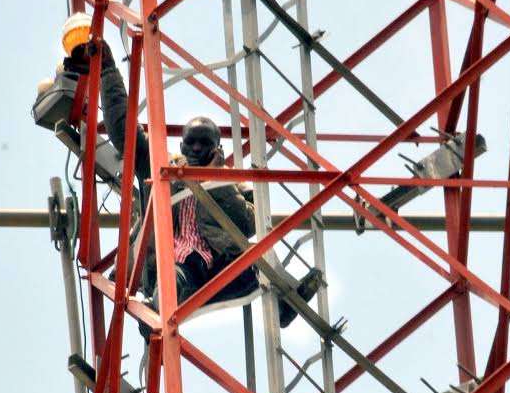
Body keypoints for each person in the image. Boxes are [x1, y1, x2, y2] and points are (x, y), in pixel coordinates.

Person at [63, 40, 321, 331]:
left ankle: (285, 305)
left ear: (215, 149)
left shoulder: (231, 182)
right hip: (170, 266)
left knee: (260, 257)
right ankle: (156, 316)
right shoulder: (161, 165)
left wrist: (216, 181)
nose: (196, 149)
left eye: (204, 144)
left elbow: (250, 223)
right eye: (191, 142)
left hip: (214, 270)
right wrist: (108, 71)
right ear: (182, 144)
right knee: (172, 280)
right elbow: (125, 131)